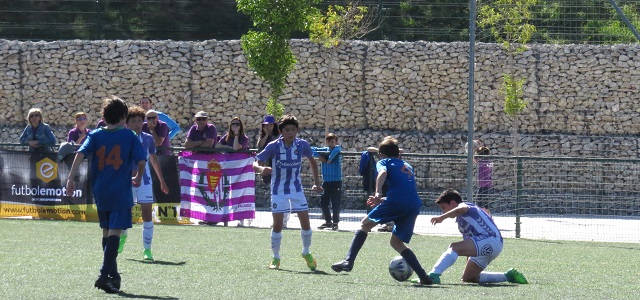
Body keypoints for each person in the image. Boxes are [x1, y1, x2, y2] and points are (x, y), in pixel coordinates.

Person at [65, 96, 147, 294]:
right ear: (123, 117)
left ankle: (114, 276)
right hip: (120, 190)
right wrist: (137, 175)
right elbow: (142, 160)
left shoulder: (95, 135)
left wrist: (70, 178)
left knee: (106, 232)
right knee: (115, 234)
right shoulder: (129, 136)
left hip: (100, 189)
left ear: (105, 116)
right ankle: (103, 275)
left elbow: (79, 154)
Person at [331, 137, 432, 285]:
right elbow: (404, 190)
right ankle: (423, 276)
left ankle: (348, 261)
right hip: (413, 205)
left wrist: (377, 192)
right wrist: (384, 199)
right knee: (396, 243)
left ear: (381, 154)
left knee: (364, 225)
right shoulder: (407, 165)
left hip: (397, 202)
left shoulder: (383, 162)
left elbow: (382, 173)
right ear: (398, 154)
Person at [410, 188, 528, 285]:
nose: (443, 212)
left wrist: (442, 218)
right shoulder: (461, 222)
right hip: (489, 244)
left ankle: (434, 275)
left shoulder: (464, 205)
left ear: (452, 203)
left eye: (443, 208)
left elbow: (460, 209)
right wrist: (470, 261)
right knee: (469, 277)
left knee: (454, 247)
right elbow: (469, 242)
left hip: (491, 239)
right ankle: (508, 276)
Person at [253, 114, 323, 270]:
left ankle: (306, 252)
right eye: (287, 130)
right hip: (278, 190)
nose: (290, 133)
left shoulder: (302, 145)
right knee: (278, 224)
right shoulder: (274, 146)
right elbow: (255, 163)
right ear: (281, 131)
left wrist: (317, 183)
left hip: (297, 190)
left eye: (293, 130)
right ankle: (276, 257)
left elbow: (312, 161)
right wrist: (261, 168)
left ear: (297, 130)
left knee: (306, 223)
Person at [118, 106, 170, 261]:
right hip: (126, 181)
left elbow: (153, 159)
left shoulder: (148, 139)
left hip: (145, 181)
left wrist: (161, 181)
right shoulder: (122, 138)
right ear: (127, 123)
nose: (137, 124)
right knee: (124, 213)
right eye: (133, 121)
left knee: (147, 215)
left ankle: (147, 250)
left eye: (140, 121)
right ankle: (122, 237)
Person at [312, 133, 342, 231]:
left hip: (336, 181)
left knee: (335, 203)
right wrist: (320, 157)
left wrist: (328, 159)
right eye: (328, 141)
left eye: (332, 141)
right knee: (323, 202)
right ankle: (328, 221)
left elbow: (337, 149)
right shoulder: (324, 150)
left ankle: (335, 223)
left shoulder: (337, 149)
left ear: (335, 142)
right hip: (326, 182)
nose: (330, 143)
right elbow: (312, 149)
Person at [476, 146, 493, 215]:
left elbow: (475, 159)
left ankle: (486, 215)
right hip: (486, 183)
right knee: (483, 201)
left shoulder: (482, 162)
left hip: (484, 184)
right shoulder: (489, 161)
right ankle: (486, 215)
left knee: (481, 201)